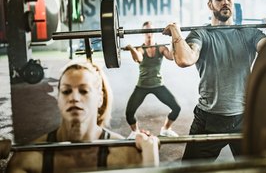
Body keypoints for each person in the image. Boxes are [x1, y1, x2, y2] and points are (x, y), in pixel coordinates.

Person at [162, 0, 266, 161]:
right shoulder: (201, 34)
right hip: (208, 120)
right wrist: (176, 32)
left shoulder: (249, 33)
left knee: (255, 168)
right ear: (210, 5)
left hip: (244, 117)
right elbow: (184, 59)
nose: (225, 2)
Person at [6, 61, 159, 173]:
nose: (74, 98)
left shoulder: (125, 155)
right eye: (66, 91)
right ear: (58, 99)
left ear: (100, 98)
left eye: (84, 91)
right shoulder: (27, 160)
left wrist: (150, 157)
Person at [125, 21, 181, 139]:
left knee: (176, 108)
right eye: (146, 31)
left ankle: (166, 129)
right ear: (142, 33)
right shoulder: (139, 49)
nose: (149, 33)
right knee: (129, 113)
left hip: (158, 85)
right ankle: (135, 132)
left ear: (154, 32)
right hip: (142, 86)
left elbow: (171, 57)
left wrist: (173, 39)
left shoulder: (160, 47)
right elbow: (139, 58)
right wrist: (131, 48)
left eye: (151, 30)